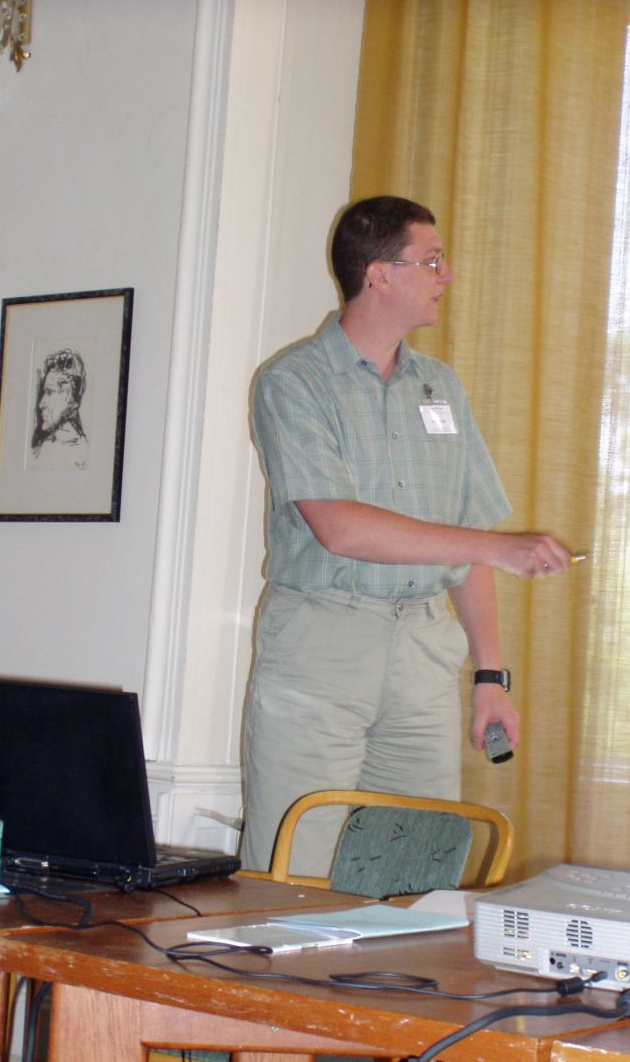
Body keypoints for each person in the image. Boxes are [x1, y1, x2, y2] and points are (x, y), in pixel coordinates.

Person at [243, 196, 571, 874]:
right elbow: (339, 529)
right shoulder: (293, 382)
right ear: (379, 275)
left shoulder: (440, 387)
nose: (446, 275)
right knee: (295, 873)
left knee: (415, 871)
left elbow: (465, 534)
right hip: (322, 646)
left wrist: (490, 675)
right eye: (432, 261)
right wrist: (493, 547)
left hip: (424, 652)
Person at [31, 348, 89, 469]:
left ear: (69, 398)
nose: (41, 404)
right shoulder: (44, 448)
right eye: (44, 393)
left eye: (49, 392)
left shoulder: (83, 454)